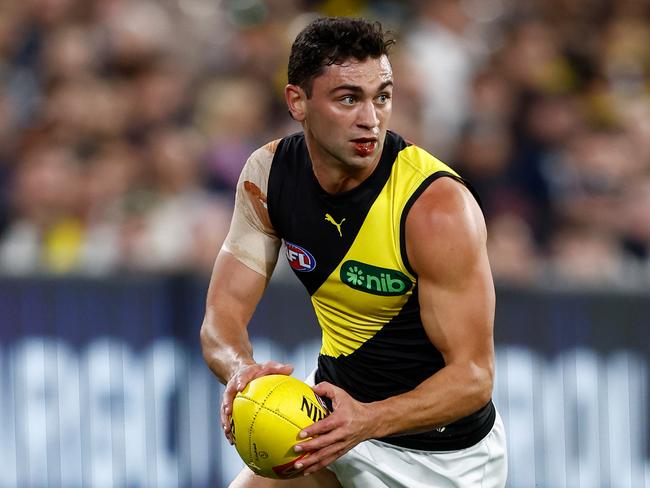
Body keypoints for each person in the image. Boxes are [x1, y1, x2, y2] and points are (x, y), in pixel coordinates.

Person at [200, 16, 508, 488]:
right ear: (297, 101)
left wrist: (366, 421)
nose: (371, 118)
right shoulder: (268, 176)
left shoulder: (435, 208)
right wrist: (242, 371)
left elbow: (472, 377)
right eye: (348, 99)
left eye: (381, 96)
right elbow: (221, 317)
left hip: (442, 461)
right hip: (335, 425)